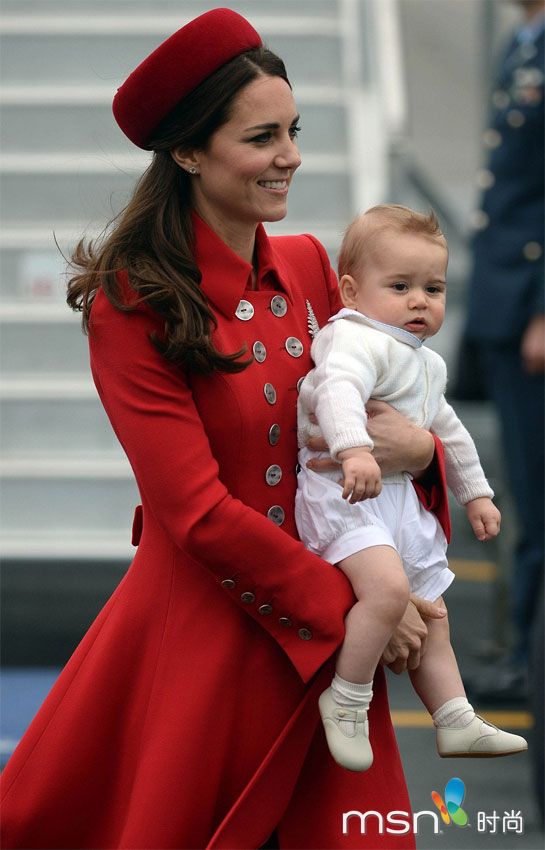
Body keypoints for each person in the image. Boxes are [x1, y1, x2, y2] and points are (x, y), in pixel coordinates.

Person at [1, 10, 450, 850]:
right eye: (261, 137)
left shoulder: (318, 268)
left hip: (334, 643)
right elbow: (195, 512)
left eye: (294, 130)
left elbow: (402, 426)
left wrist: (421, 456)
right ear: (188, 152)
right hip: (211, 647)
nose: (291, 156)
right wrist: (357, 607)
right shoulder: (129, 304)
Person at [296, 205, 528, 772]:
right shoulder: (351, 338)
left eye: (434, 287)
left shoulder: (423, 363)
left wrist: (477, 493)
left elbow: (449, 430)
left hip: (395, 498)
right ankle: (347, 699)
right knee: (387, 592)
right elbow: (337, 393)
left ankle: (454, 716)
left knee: (435, 612)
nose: (420, 301)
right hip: (345, 494)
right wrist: (353, 449)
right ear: (350, 290)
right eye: (400, 286)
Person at [462, 0, 544, 703]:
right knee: (522, 492)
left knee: (537, 501)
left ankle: (529, 655)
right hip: (504, 297)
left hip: (529, 307)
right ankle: (520, 646)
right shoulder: (522, 42)